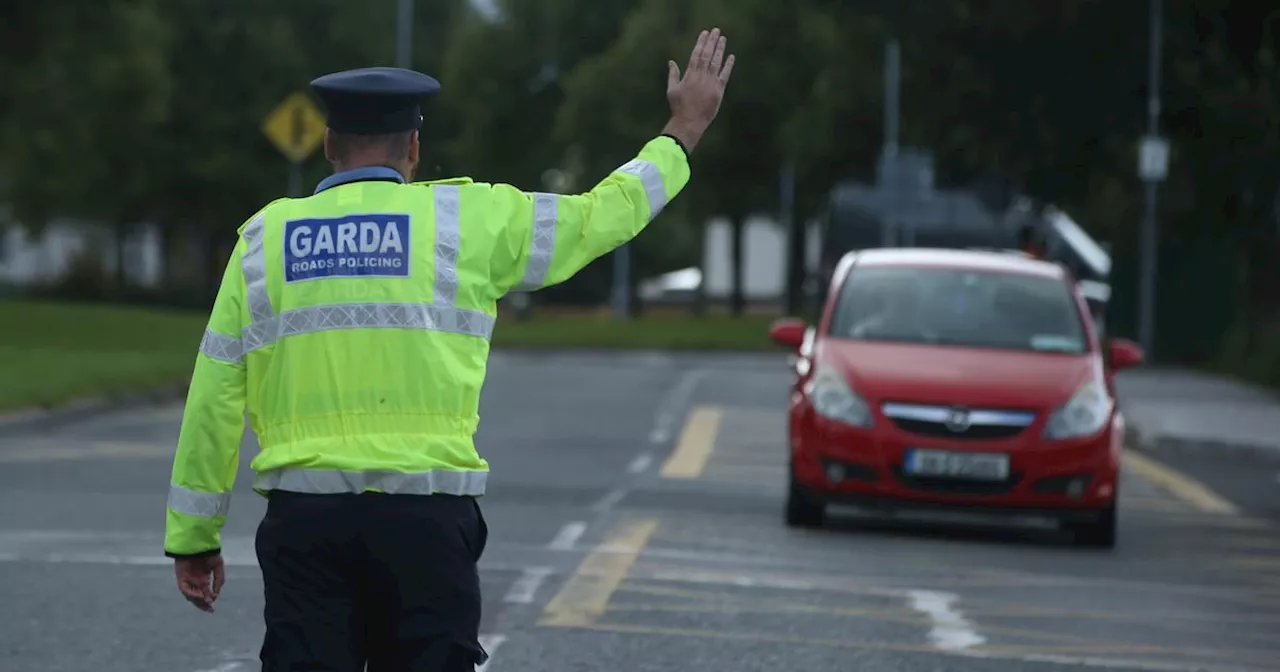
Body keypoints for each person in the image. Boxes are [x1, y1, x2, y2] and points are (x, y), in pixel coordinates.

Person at [162, 28, 735, 671]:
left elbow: (214, 395)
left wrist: (194, 538)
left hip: (306, 524)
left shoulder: (262, 241)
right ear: (413, 147)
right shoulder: (471, 220)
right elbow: (601, 214)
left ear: (328, 146)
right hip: (426, 524)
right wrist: (683, 128)